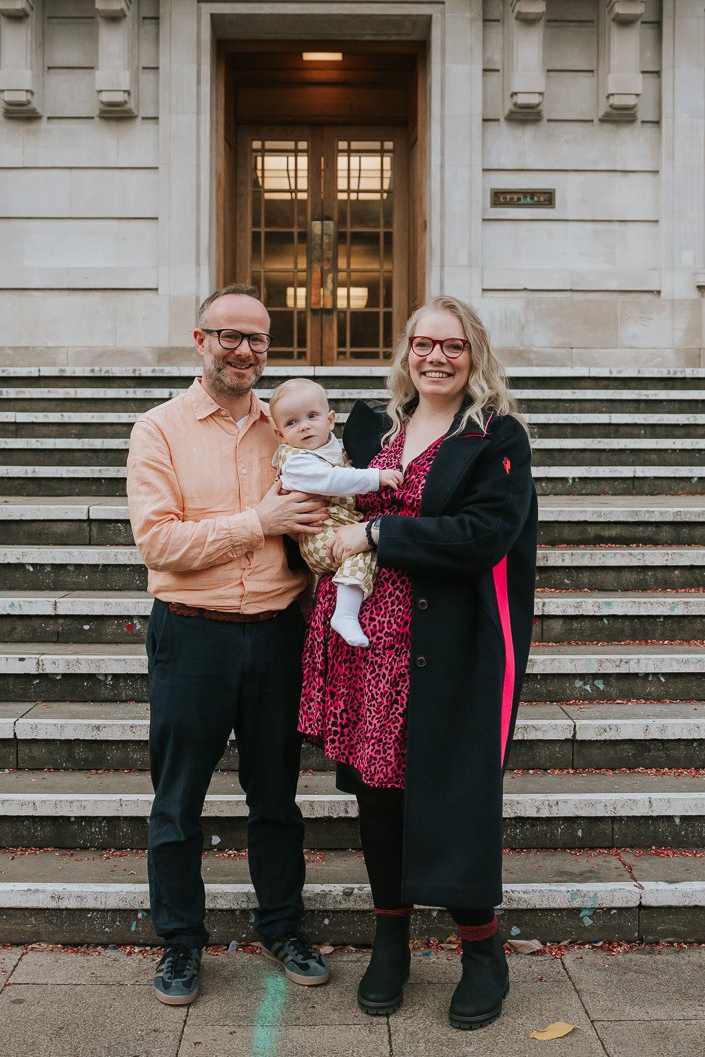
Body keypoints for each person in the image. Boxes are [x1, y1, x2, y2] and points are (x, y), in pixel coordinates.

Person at [297, 295, 538, 1030]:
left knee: (458, 797)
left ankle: (482, 949)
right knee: (378, 794)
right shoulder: (374, 429)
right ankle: (391, 938)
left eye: (453, 346)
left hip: (451, 646)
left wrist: (376, 532)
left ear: (475, 355)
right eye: (423, 343)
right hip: (371, 644)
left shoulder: (496, 437)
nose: (437, 357)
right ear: (405, 352)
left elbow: (481, 536)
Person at [126, 284, 333, 1006]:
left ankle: (283, 926)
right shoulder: (158, 429)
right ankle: (180, 943)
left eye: (257, 340)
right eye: (229, 336)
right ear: (200, 339)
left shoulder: (287, 427)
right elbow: (159, 542)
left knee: (276, 799)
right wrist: (257, 519)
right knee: (177, 801)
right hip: (193, 635)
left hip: (278, 635)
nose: (244, 351)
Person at [268, 378, 405, 647]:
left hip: (333, 527)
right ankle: (344, 614)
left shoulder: (329, 451)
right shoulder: (295, 462)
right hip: (319, 538)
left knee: (367, 547)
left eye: (312, 416)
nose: (304, 426)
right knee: (363, 550)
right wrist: (374, 477)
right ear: (280, 434)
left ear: (330, 420)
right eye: (291, 423)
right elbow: (332, 480)